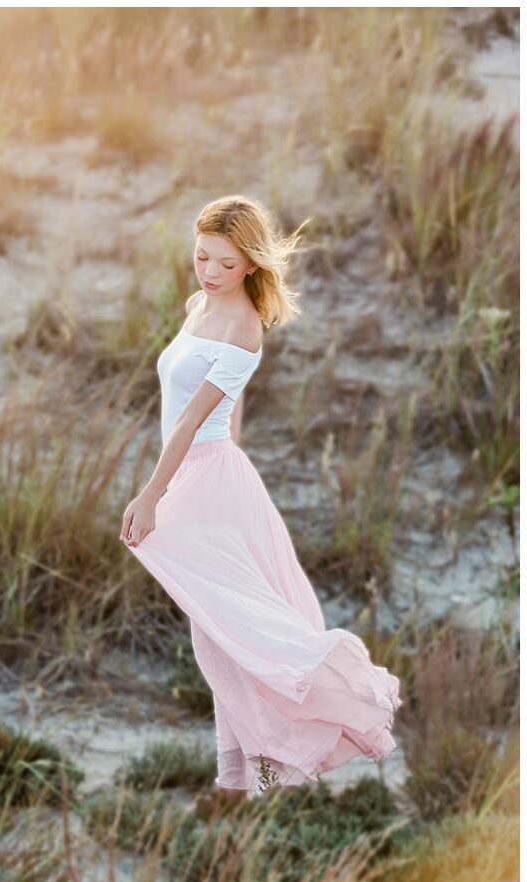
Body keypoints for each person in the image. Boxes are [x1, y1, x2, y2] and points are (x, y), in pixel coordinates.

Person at [120, 195, 402, 797]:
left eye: (225, 264)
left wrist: (151, 497)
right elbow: (230, 408)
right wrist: (210, 471)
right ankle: (238, 778)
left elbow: (194, 423)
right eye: (202, 257)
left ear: (249, 264)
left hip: (202, 478)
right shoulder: (198, 305)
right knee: (216, 634)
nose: (209, 273)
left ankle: (252, 773)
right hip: (204, 478)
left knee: (229, 637)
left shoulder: (244, 327)